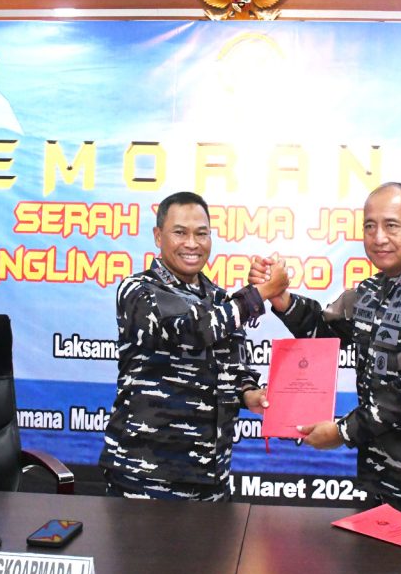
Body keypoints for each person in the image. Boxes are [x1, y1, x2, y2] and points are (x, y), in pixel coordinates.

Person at [251, 182, 401, 512]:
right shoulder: (372, 290)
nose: (378, 238)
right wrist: (282, 300)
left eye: (391, 225)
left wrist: (342, 432)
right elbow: (326, 331)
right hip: (384, 473)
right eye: (370, 226)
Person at [99, 191, 289, 500]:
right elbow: (191, 331)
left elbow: (235, 369)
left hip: (211, 477)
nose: (192, 243)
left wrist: (251, 394)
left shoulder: (219, 298)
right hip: (145, 477)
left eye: (201, 234)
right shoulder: (138, 291)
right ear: (158, 236)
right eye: (180, 232)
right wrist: (262, 292)